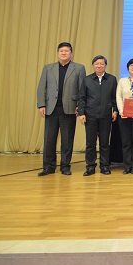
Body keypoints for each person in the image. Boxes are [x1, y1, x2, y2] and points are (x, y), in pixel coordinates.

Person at [36, 42, 86, 176]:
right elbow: (41, 87)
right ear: (58, 53)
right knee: (49, 140)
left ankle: (65, 166)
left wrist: (80, 107)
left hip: (69, 109)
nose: (64, 53)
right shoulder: (48, 68)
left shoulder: (79, 68)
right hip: (51, 109)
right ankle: (48, 167)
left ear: (71, 53)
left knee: (67, 140)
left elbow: (82, 89)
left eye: (66, 51)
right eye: (61, 51)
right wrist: (41, 105)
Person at [77, 55, 118, 176]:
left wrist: (115, 110)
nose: (99, 66)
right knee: (90, 143)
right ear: (93, 66)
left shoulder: (112, 79)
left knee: (104, 143)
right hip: (90, 116)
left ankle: (104, 166)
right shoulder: (87, 79)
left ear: (105, 65)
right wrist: (81, 113)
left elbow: (115, 97)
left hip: (106, 115)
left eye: (101, 64)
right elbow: (81, 98)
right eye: (96, 64)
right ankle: (90, 166)